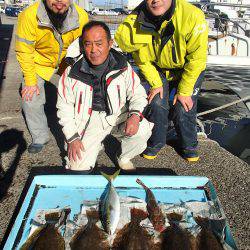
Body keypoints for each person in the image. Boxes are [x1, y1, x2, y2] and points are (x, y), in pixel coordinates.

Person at [115, 0, 208, 162]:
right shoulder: (139, 18)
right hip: (157, 69)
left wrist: (185, 91)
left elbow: (197, 59)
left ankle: (189, 145)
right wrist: (155, 83)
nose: (156, 0)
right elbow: (140, 57)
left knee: (183, 108)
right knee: (156, 102)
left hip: (188, 68)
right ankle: (156, 142)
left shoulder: (193, 15)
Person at [56, 21, 153, 171]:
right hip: (88, 122)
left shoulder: (123, 65)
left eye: (99, 43)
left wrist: (134, 115)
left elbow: (138, 93)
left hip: (118, 115)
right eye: (88, 44)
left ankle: (124, 157)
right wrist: (72, 137)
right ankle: (93, 145)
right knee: (77, 167)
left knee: (143, 129)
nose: (93, 50)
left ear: (110, 43)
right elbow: (64, 107)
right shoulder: (71, 72)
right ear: (82, 46)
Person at [15, 0, 88, 153]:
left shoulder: (81, 17)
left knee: (81, 94)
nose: (59, 1)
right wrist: (30, 81)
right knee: (30, 97)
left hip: (66, 61)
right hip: (39, 62)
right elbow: (24, 50)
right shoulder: (29, 15)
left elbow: (82, 48)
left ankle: (78, 133)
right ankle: (40, 136)